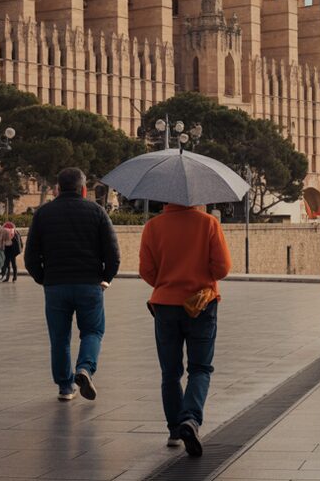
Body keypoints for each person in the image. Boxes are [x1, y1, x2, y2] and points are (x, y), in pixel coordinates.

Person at [139, 201, 232, 457]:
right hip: (201, 304)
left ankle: (173, 430)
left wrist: (167, 283)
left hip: (165, 305)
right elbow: (222, 268)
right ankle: (190, 419)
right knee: (200, 368)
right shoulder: (208, 223)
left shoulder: (153, 226)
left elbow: (146, 270)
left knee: (170, 371)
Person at [25, 168, 119, 402]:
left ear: (57, 188)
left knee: (59, 338)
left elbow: (30, 256)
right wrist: (105, 278)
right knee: (93, 331)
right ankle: (85, 368)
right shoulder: (97, 212)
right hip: (89, 284)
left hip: (56, 285)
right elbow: (113, 253)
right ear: (84, 189)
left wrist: (43, 278)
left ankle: (65, 387)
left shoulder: (43, 214)